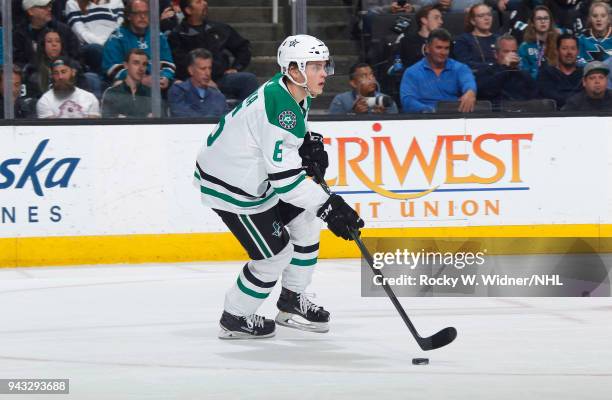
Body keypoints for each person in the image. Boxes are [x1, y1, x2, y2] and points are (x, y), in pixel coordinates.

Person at [194, 35, 364, 339]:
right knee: (275, 256)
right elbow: (285, 182)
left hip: (253, 173)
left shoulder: (294, 89)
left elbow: (289, 134)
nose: (324, 72)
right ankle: (234, 317)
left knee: (305, 222)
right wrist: (330, 205)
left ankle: (291, 301)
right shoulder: (278, 108)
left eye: (324, 65)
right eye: (316, 66)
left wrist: (307, 144)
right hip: (234, 187)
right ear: (295, 70)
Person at [168, 0, 259, 101]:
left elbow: (243, 47)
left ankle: (243, 115)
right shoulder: (177, 35)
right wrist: (203, 80)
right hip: (192, 82)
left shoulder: (219, 29)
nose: (204, 3)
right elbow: (180, 64)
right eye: (198, 2)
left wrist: (236, 68)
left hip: (221, 78)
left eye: (204, 0)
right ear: (188, 10)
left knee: (248, 80)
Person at [102, 0, 175, 89]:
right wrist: (141, 80)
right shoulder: (117, 37)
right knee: (119, 84)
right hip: (129, 85)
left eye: (146, 13)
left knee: (177, 85)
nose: (143, 16)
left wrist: (165, 77)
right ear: (129, 16)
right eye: (138, 13)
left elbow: (168, 63)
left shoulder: (158, 36)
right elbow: (112, 68)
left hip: (155, 83)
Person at [400, 28, 477, 113]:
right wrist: (430, 111)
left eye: (446, 48)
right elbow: (407, 101)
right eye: (439, 48)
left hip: (454, 116)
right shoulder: (412, 72)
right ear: (427, 48)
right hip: (423, 119)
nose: (443, 52)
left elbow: (468, 82)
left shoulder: (460, 68)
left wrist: (470, 92)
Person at [475, 34, 538, 108]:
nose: (511, 54)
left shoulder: (524, 75)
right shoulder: (485, 72)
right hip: (497, 115)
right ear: (496, 54)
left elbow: (534, 98)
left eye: (514, 51)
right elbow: (484, 92)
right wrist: (504, 67)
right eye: (506, 51)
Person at [13, 0, 81, 67]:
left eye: (49, 6)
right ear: (30, 11)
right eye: (43, 7)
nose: (49, 9)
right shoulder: (19, 35)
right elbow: (19, 63)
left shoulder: (62, 29)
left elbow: (76, 55)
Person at [64, 0, 125, 73]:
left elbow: (120, 28)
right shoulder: (73, 3)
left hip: (114, 44)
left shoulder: (117, 2)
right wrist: (105, 45)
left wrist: (111, 45)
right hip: (90, 46)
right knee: (96, 49)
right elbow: (80, 33)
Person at [168, 48, 227, 117]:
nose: (207, 73)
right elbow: (182, 115)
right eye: (203, 69)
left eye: (209, 68)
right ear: (191, 70)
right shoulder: (178, 91)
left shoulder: (218, 96)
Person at [36, 56, 101, 118]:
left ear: (73, 72)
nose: (60, 77)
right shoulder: (45, 101)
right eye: (56, 73)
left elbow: (92, 128)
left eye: (63, 72)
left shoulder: (90, 98)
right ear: (52, 76)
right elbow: (49, 129)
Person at [328, 62, 399, 114]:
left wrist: (382, 118)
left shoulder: (385, 100)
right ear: (353, 83)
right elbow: (333, 127)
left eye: (371, 74)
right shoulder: (341, 101)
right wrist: (354, 114)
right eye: (364, 76)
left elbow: (396, 128)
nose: (371, 79)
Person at [101, 49, 153, 118]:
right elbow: (107, 123)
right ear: (126, 65)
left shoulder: (152, 94)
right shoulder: (112, 93)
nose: (141, 68)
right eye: (136, 63)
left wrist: (123, 117)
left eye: (144, 64)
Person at [537, 33, 584, 109]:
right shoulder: (546, 74)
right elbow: (550, 98)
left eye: (573, 48)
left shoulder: (584, 74)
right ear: (557, 51)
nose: (569, 52)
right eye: (564, 48)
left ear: (577, 51)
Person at [453, 3, 499, 74]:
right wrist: (494, 65)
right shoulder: (463, 40)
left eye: (489, 15)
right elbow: (464, 64)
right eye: (481, 16)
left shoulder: (499, 39)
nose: (487, 18)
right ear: (473, 21)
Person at [518, 6, 559, 79]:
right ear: (532, 23)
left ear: (550, 22)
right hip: (533, 85)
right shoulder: (524, 47)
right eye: (539, 18)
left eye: (546, 18)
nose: (543, 21)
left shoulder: (557, 45)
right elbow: (523, 73)